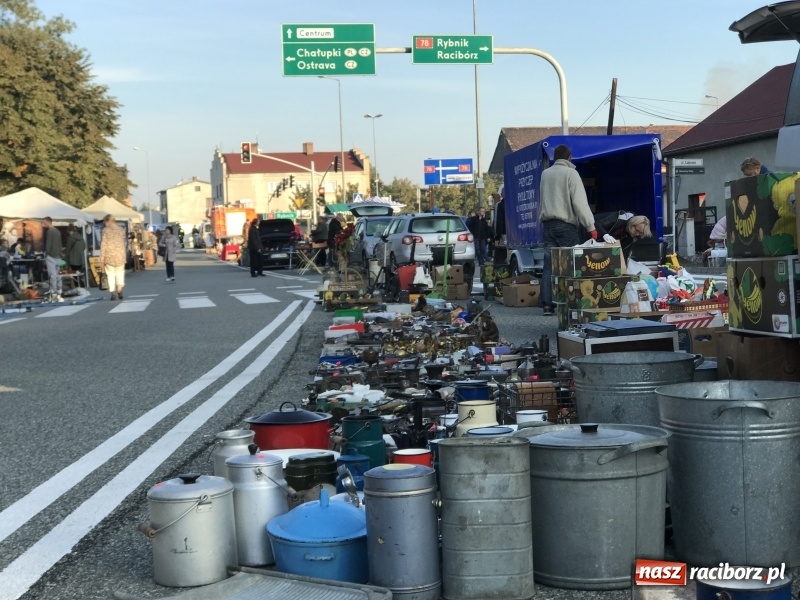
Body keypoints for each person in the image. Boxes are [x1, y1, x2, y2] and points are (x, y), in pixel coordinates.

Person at [538, 145, 597, 316]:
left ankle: (548, 305)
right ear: (569, 157)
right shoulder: (571, 173)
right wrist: (590, 226)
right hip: (566, 226)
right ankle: (573, 301)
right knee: (572, 264)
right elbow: (579, 202)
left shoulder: (545, 174)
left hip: (548, 225)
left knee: (549, 265)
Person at [99, 214, 127, 300]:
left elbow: (103, 245)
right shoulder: (121, 230)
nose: (104, 223)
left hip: (109, 256)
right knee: (120, 273)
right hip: (120, 256)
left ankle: (113, 293)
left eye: (105, 222)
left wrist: (102, 258)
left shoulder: (105, 231)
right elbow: (124, 242)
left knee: (110, 275)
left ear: (108, 221)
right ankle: (119, 289)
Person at [43, 216, 63, 302]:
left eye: (44, 222)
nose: (43, 224)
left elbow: (48, 244)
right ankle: (59, 290)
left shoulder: (49, 231)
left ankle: (53, 291)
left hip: (51, 255)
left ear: (48, 222)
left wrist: (46, 253)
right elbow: (60, 243)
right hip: (58, 255)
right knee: (58, 273)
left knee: (52, 274)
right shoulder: (57, 231)